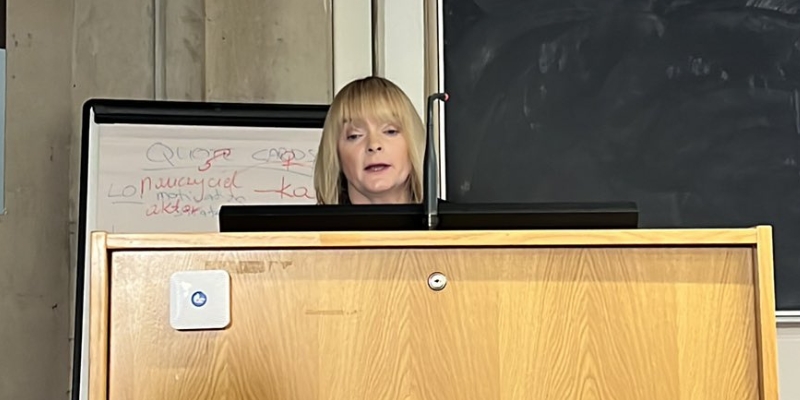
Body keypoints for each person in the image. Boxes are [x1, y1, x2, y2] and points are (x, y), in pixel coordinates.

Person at [314, 76, 425, 205]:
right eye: (355, 135)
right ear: (335, 153)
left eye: (390, 131)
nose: (374, 145)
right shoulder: (308, 225)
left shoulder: (452, 224)